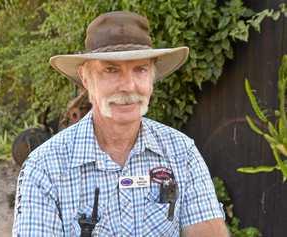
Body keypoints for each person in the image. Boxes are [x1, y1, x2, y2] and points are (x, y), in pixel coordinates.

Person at [12, 11, 229, 237]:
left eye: (141, 69)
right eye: (111, 70)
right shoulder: (44, 167)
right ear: (86, 79)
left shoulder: (182, 152)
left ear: (152, 78)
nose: (128, 86)